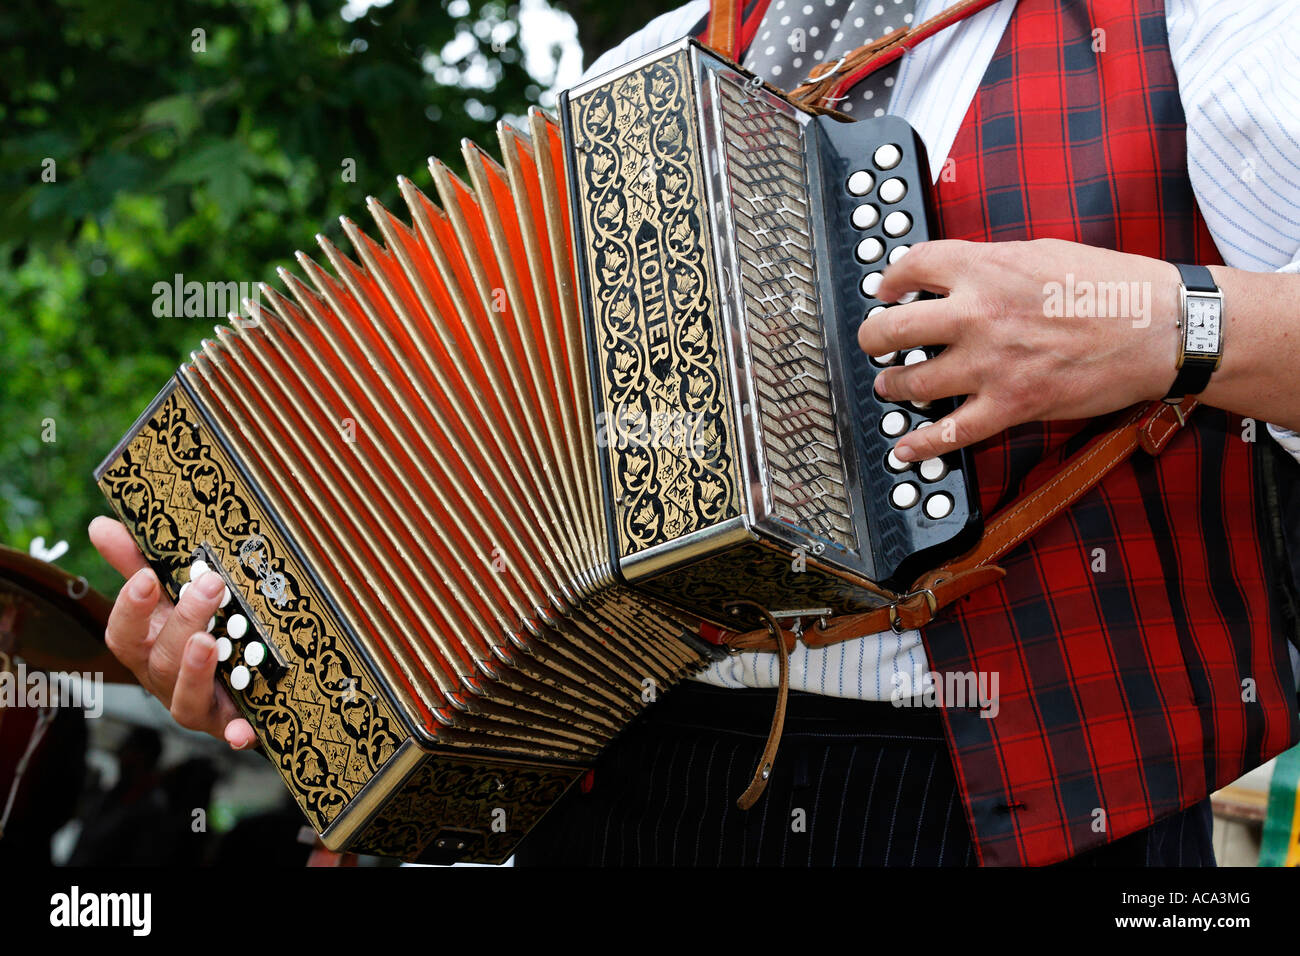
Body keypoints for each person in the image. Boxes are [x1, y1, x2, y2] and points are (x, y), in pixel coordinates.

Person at [90, 0, 1300, 865]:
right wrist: (271, 663)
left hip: (1000, 802)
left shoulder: (1209, 30)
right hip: (614, 780)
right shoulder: (646, 70)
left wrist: (1166, 319)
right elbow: (467, 491)